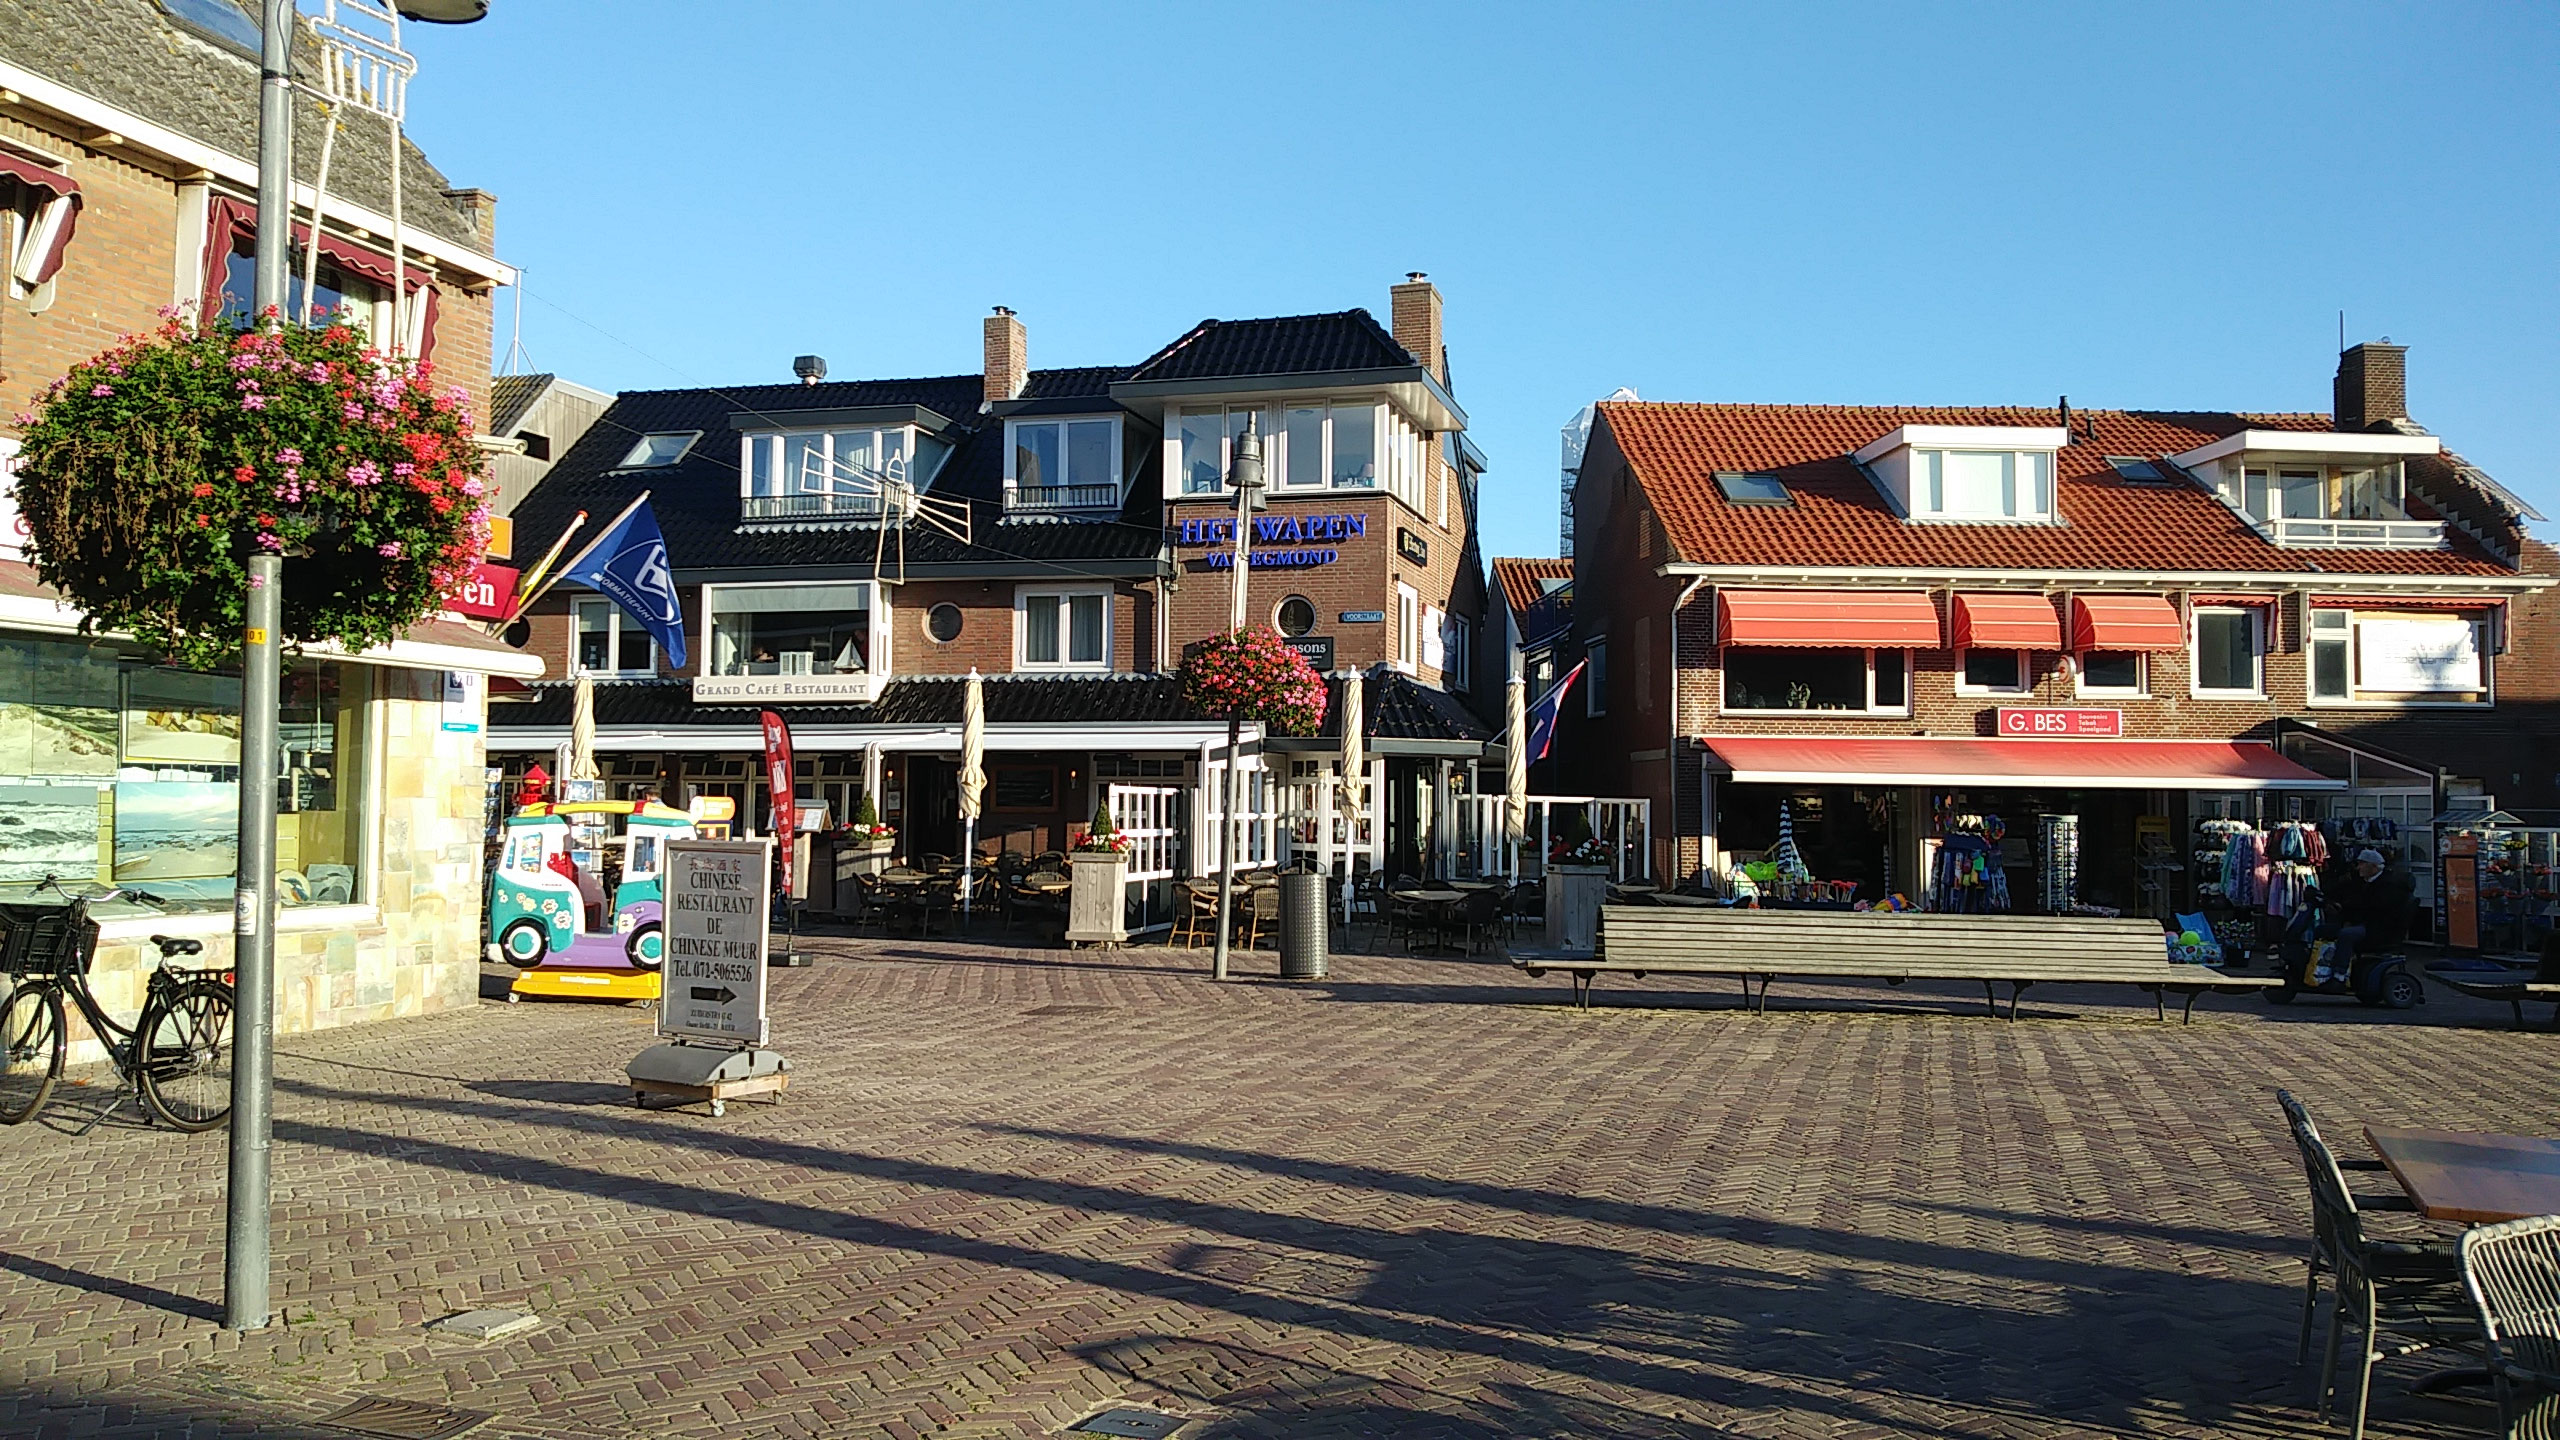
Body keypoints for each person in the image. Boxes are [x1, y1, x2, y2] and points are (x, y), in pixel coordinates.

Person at [2326, 847, 2414, 975]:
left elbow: (2373, 908)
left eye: (2362, 864)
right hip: (2372, 924)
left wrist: (2348, 913)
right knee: (2328, 929)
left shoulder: (2388, 885)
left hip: (2381, 929)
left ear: (2373, 866)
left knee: (2346, 935)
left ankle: (2339, 974)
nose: (2358, 868)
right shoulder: (2370, 882)